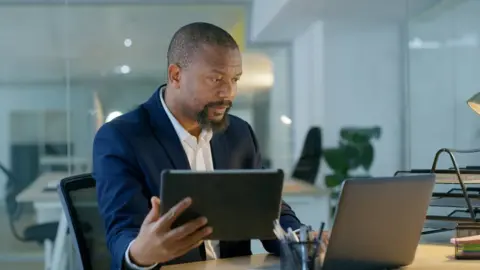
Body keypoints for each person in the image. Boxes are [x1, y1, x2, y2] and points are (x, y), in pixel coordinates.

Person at [93, 22, 309, 270]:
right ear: (176, 76)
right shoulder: (121, 137)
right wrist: (141, 254)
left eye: (235, 79)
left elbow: (270, 210)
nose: (228, 92)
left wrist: (301, 238)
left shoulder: (239, 133)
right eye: (216, 78)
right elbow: (121, 231)